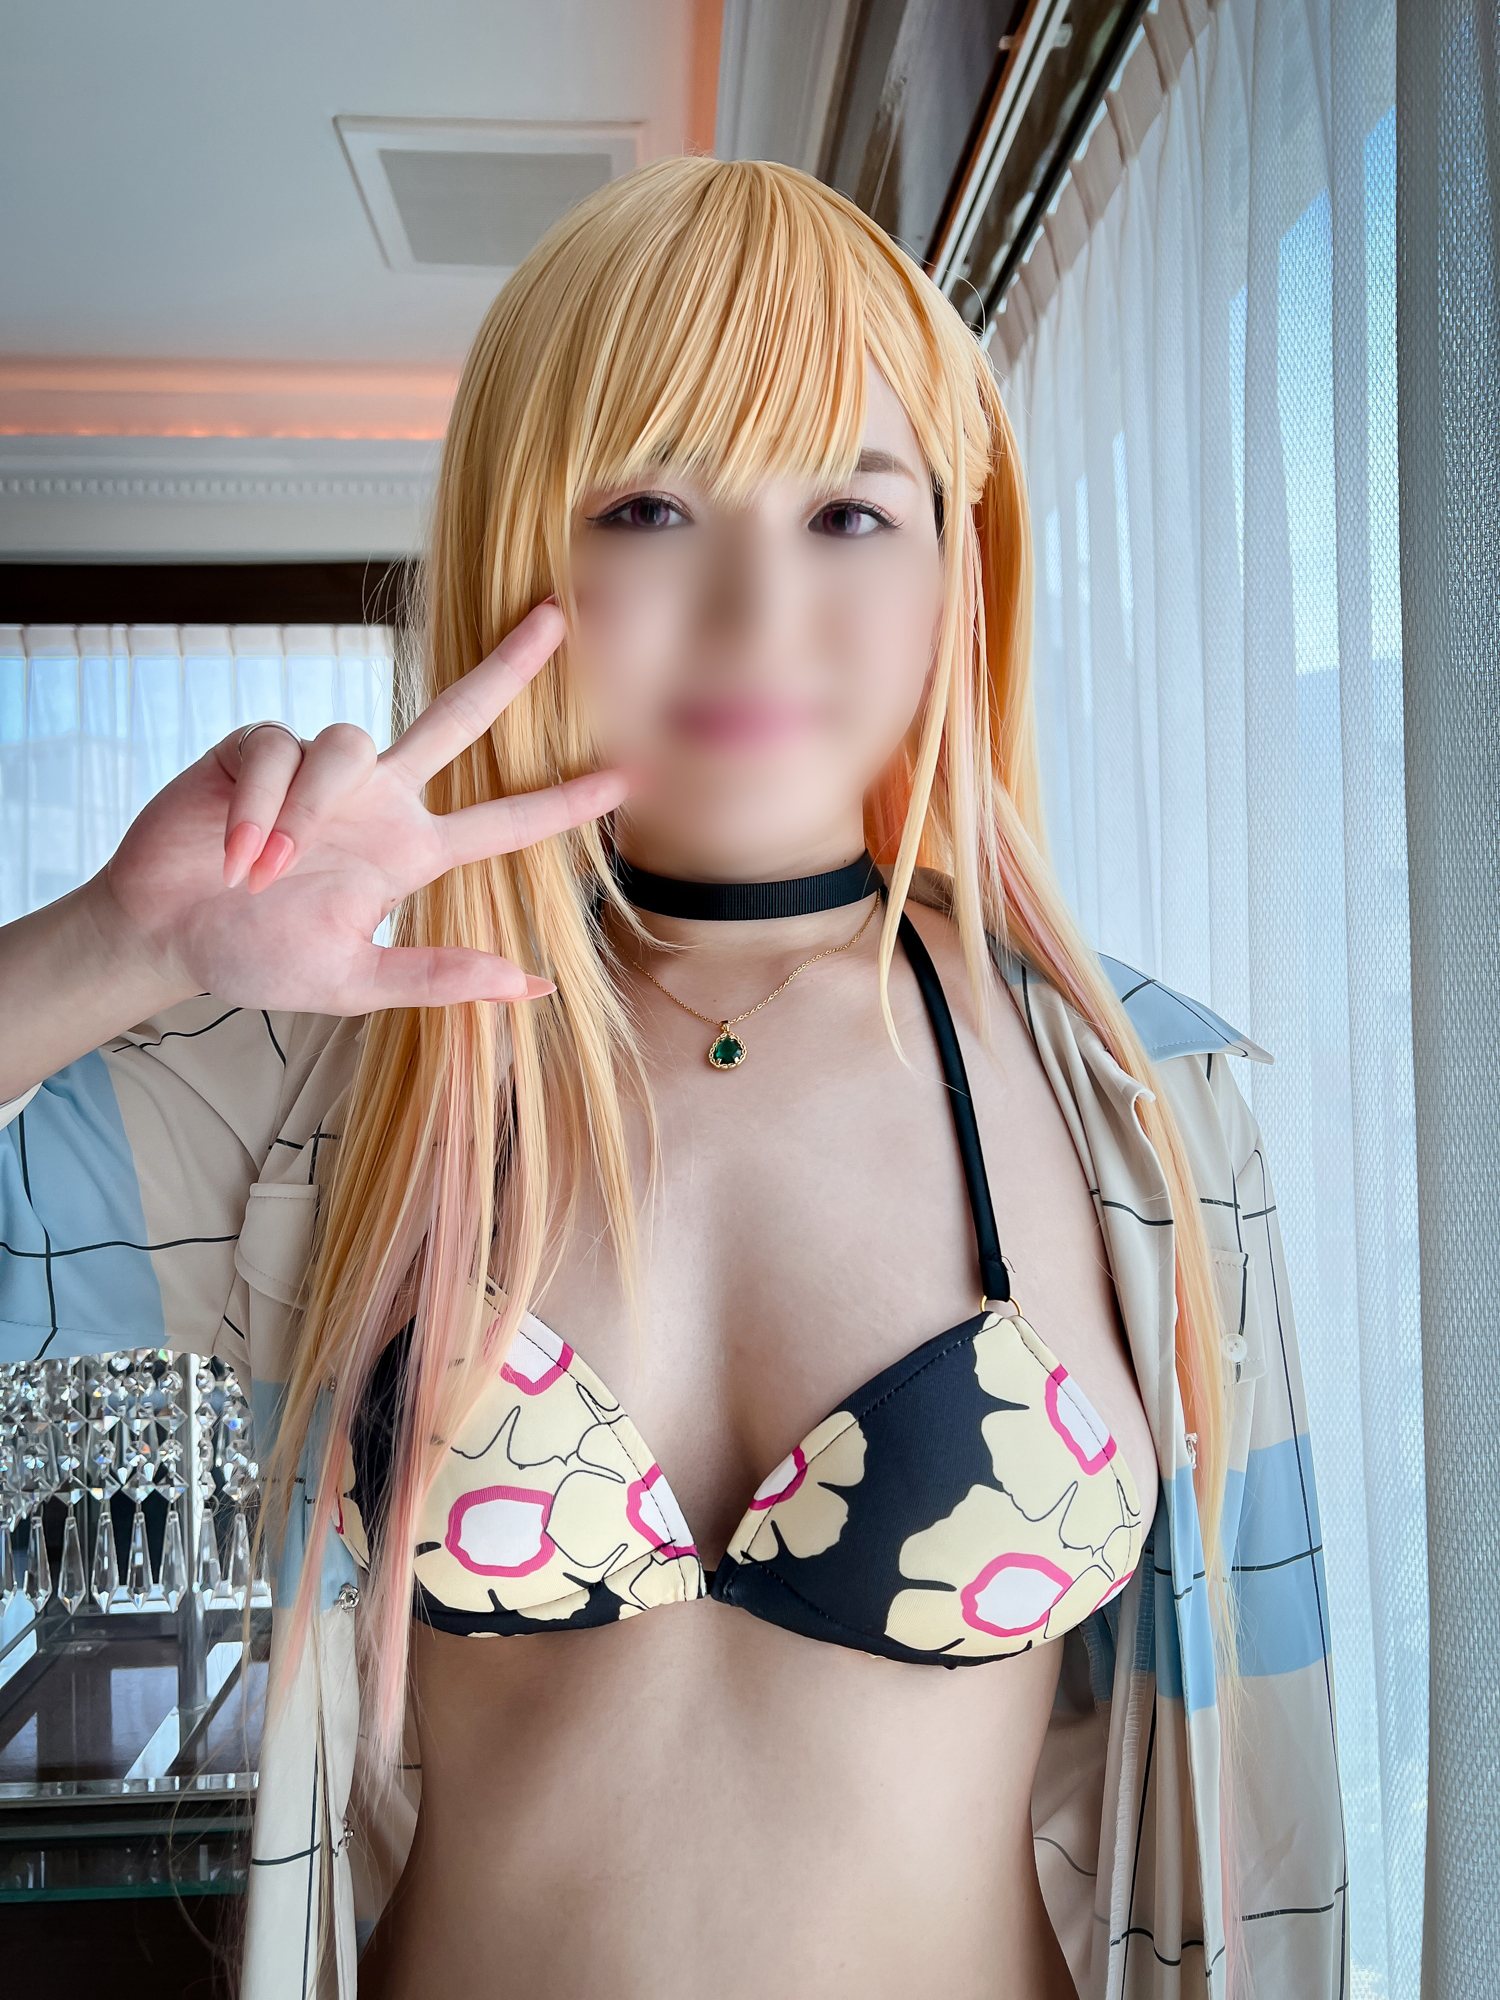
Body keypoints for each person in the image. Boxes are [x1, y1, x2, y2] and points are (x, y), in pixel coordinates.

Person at [0, 157, 1346, 1999]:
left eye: (849, 513)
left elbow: (1262, 1813)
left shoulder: (1140, 1099)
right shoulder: (346, 1077)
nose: (754, 606)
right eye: (650, 506)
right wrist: (121, 944)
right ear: (525, 551)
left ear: (960, 564)